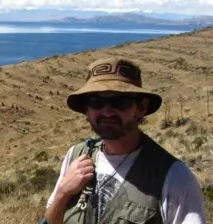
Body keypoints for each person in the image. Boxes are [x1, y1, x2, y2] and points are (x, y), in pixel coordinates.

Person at [42, 58, 207, 224]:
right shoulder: (75, 156)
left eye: (120, 102)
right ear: (87, 110)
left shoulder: (174, 178)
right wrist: (63, 193)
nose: (107, 112)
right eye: (96, 102)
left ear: (141, 108)